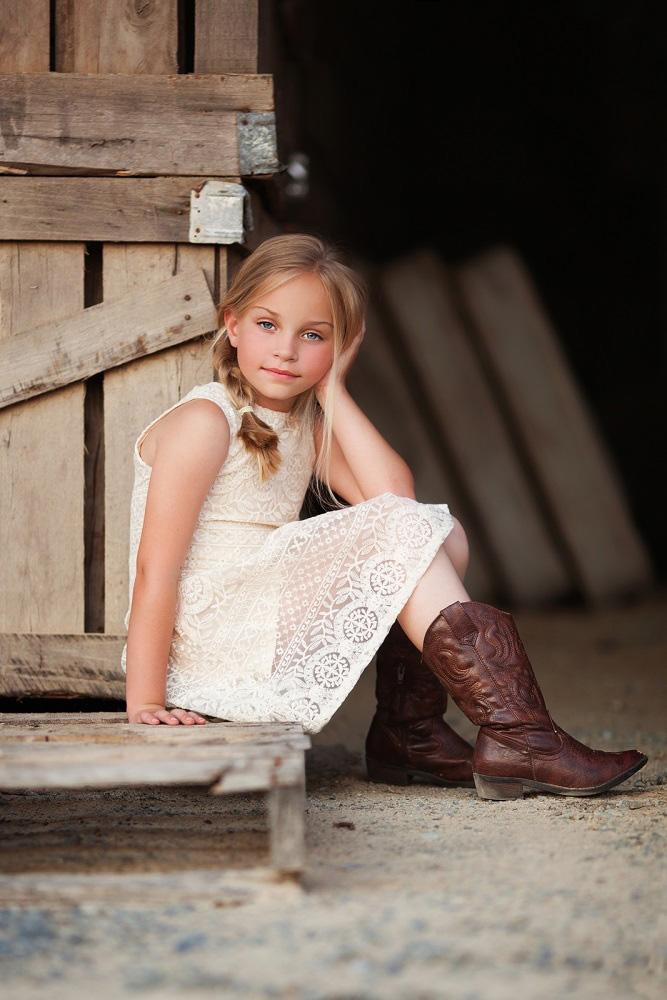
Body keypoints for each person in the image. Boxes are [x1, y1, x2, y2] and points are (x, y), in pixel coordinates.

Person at [121, 233, 647, 800]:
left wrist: (336, 391)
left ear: (341, 345)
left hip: (261, 613)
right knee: (415, 530)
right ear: (232, 323)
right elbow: (156, 568)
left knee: (445, 534)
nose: (286, 350)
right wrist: (146, 700)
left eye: (314, 335)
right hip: (213, 635)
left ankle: (412, 732)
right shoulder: (206, 420)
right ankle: (520, 737)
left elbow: (394, 497)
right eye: (268, 325)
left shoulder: (307, 421)